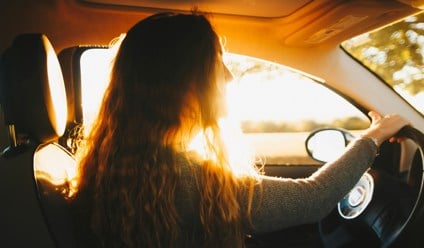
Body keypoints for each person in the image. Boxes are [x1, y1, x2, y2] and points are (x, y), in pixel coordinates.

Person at [69, 12, 410, 248]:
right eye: (216, 66)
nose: (229, 78)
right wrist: (374, 135)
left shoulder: (113, 167)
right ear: (181, 85)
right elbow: (313, 198)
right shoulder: (192, 181)